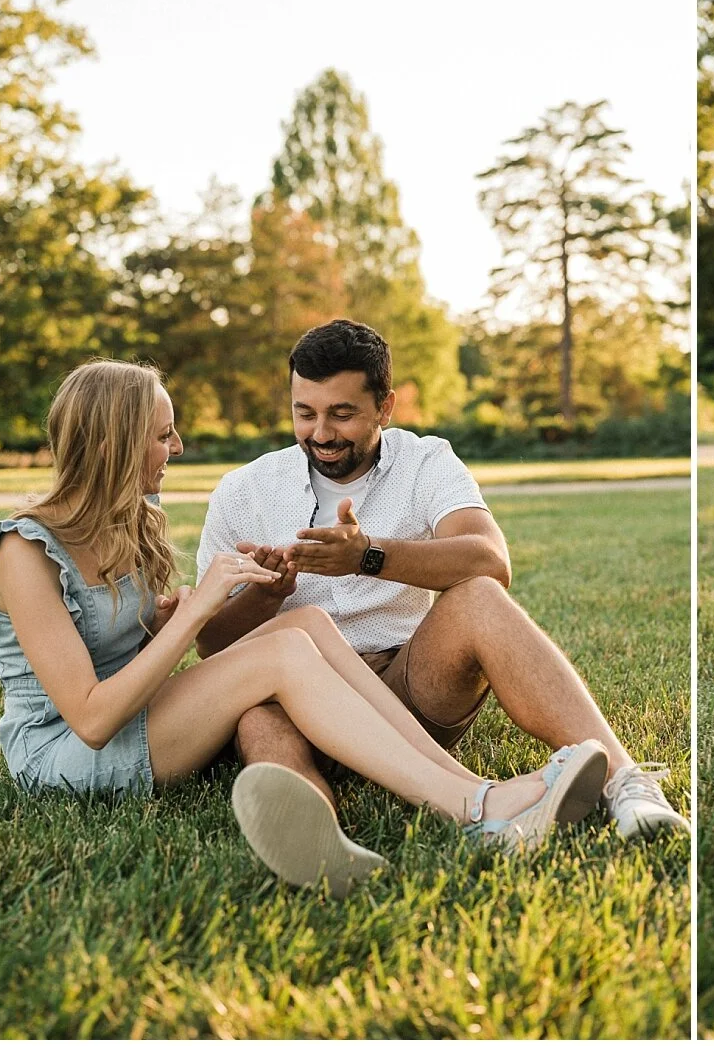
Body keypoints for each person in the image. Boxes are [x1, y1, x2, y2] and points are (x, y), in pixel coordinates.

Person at [0, 360, 609, 898]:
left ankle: (470, 789)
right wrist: (193, 613)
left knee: (300, 618)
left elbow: (131, 655)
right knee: (275, 658)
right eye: (163, 435)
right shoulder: (23, 552)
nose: (178, 448)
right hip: (67, 753)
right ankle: (477, 809)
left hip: (134, 718)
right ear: (113, 441)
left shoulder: (133, 522)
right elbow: (89, 717)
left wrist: (173, 615)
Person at [195, 319, 687, 885]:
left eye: (342, 413)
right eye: (305, 413)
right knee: (257, 715)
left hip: (408, 683)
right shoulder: (244, 490)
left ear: (386, 406)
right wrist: (264, 598)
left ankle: (625, 786)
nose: (321, 432)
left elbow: (489, 560)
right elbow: (212, 649)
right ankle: (320, 840)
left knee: (477, 598)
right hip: (295, 697)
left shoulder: (426, 461)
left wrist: (368, 555)